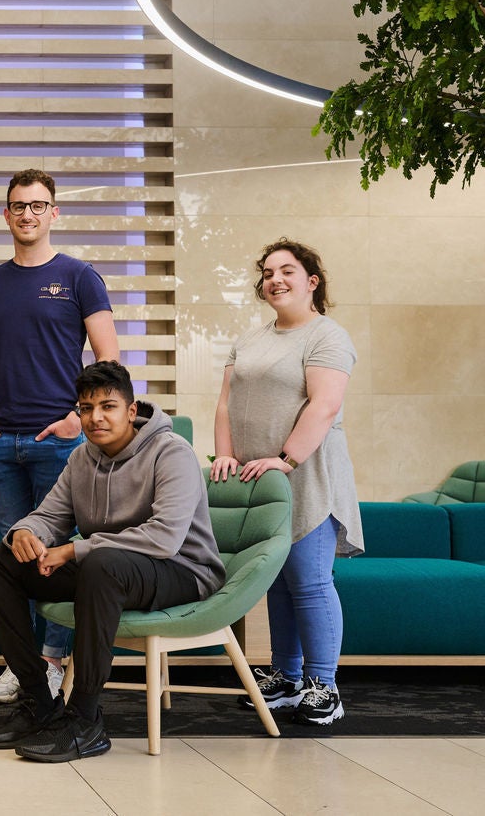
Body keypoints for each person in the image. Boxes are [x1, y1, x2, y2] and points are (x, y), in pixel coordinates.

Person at [0, 361, 224, 762]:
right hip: (109, 570)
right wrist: (25, 533)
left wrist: (73, 550)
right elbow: (51, 516)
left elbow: (165, 536)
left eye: (108, 406)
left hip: (182, 568)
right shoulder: (82, 459)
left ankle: (85, 720)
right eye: (86, 408)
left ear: (131, 410)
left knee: (100, 562)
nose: (95, 417)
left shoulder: (171, 452)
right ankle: (40, 700)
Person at [0, 168, 119, 703]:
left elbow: (109, 359)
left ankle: (52, 662)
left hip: (60, 440)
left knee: (56, 550)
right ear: (6, 214)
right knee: (13, 554)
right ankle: (21, 666)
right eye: (18, 205)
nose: (27, 213)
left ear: (54, 213)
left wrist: (80, 418)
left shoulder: (79, 277)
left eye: (38, 204)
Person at [211, 238, 363, 726]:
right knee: (276, 580)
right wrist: (227, 454)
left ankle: (324, 686)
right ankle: (287, 677)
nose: (275, 279)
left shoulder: (327, 336)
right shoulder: (250, 340)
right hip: (259, 478)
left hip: (306, 472)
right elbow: (225, 403)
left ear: (311, 281)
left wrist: (286, 459)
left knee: (310, 580)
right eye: (268, 272)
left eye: (287, 271)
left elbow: (324, 405)